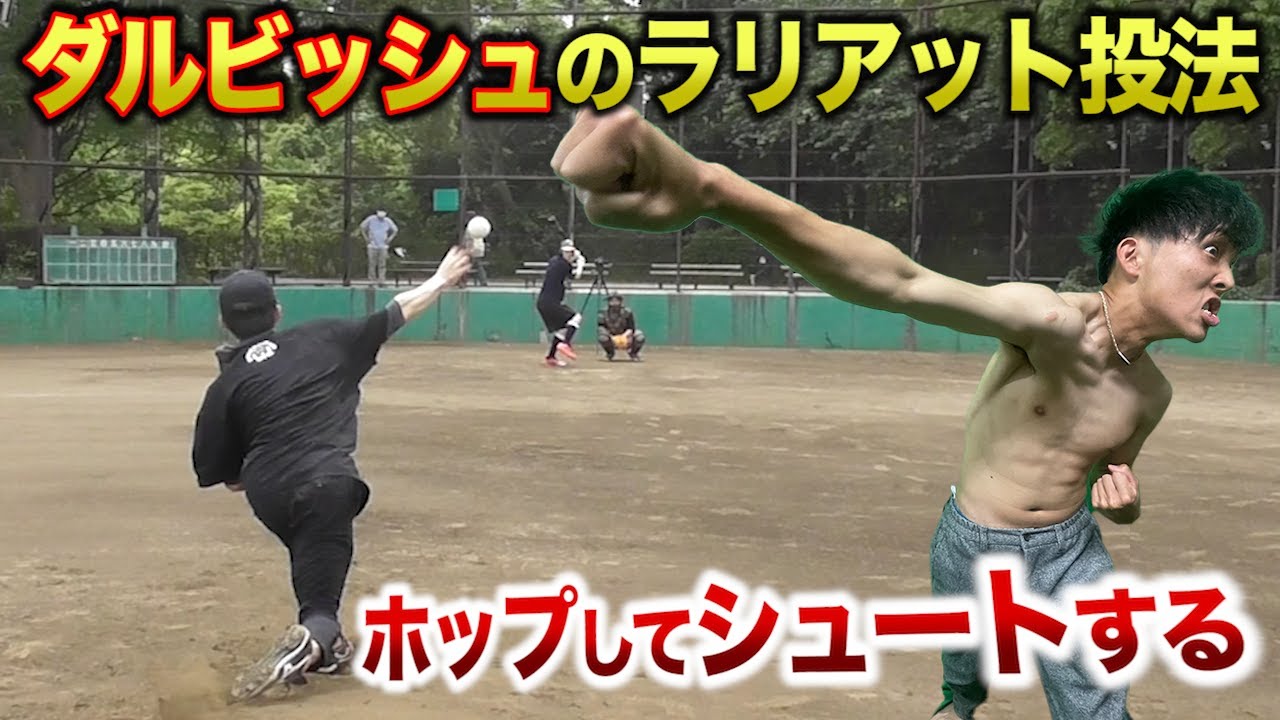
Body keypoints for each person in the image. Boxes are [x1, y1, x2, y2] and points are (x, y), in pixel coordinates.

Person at [549, 106, 1262, 719]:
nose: (1227, 277)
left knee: (1097, 694)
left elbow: (1114, 481)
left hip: (1070, 551)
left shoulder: (1153, 394)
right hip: (972, 540)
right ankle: (961, 699)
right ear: (1133, 255)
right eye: (1213, 252)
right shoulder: (1050, 323)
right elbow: (899, 281)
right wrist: (718, 190)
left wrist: (1126, 505)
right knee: (967, 672)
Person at [192, 246, 472, 701]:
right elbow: (396, 313)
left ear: (224, 322)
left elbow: (223, 474)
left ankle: (332, 647)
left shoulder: (224, 387)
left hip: (268, 493)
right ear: (278, 311)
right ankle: (313, 637)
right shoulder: (323, 337)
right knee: (319, 586)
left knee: (310, 553)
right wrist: (441, 278)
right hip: (326, 482)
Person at [536, 238, 586, 367]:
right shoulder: (563, 264)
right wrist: (580, 263)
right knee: (576, 317)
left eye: (570, 252)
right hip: (550, 303)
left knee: (562, 329)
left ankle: (551, 357)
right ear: (562, 251)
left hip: (545, 303)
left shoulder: (554, 261)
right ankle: (565, 344)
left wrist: (575, 259)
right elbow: (576, 275)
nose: (568, 254)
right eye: (566, 252)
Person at [597, 292, 644, 361]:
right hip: (611, 336)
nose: (614, 303)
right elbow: (601, 327)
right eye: (611, 301)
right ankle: (610, 353)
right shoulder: (602, 312)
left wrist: (624, 336)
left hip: (626, 336)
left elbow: (631, 327)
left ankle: (633, 353)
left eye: (616, 301)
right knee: (602, 337)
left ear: (620, 301)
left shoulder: (627, 312)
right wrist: (612, 337)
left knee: (640, 336)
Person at [359, 209, 398, 285]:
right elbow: (362, 227)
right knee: (372, 264)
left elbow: (395, 230)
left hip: (383, 246)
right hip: (372, 245)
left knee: (382, 264)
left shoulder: (387, 221)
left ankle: (381, 280)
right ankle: (372, 280)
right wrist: (366, 237)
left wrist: (390, 238)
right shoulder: (371, 219)